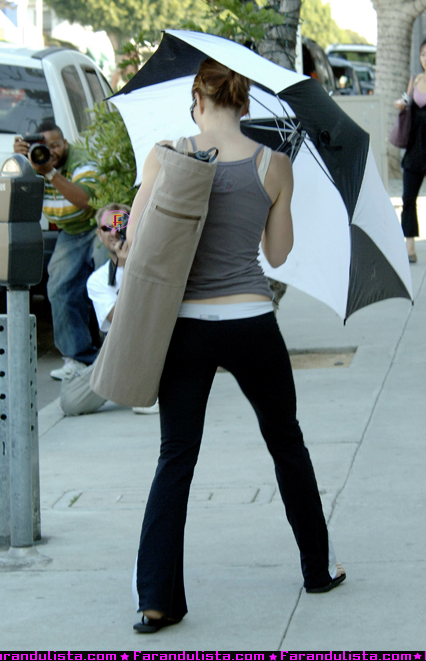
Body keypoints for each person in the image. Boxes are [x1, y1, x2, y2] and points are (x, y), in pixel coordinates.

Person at [128, 58, 346, 635]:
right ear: (245, 103)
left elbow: (137, 242)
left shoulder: (165, 154)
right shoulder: (273, 163)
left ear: (197, 99)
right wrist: (281, 193)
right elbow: (276, 257)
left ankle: (157, 601)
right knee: (285, 442)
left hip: (186, 325)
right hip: (251, 320)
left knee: (176, 456)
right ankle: (318, 568)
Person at [13, 121, 105, 379]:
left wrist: (50, 172)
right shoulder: (32, 163)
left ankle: (119, 357)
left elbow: (86, 201)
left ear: (65, 143)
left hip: (100, 226)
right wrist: (19, 162)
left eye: (55, 145)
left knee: (109, 284)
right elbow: (16, 198)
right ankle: (78, 359)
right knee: (60, 288)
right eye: (43, 146)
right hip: (70, 231)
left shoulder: (82, 160)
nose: (50, 151)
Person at [60, 203, 159, 416]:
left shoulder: (154, 264)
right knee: (72, 402)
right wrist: (125, 269)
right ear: (99, 234)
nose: (114, 233)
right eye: (107, 228)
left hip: (156, 344)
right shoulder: (97, 280)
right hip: (120, 350)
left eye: (120, 225)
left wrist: (132, 265)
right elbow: (120, 319)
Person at [394, 37, 426, 263]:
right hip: (415, 149)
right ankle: (409, 246)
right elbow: (405, 101)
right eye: (425, 54)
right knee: (408, 198)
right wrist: (401, 104)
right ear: (420, 57)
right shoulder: (414, 81)